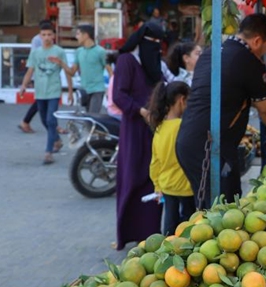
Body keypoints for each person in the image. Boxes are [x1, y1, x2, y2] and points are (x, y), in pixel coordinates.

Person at [177, 14, 266, 209]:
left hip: (192, 140)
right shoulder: (249, 61)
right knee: (221, 213)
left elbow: (228, 91)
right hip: (208, 146)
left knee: (219, 205)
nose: (265, 52)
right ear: (257, 40)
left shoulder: (213, 52)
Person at [112, 21, 165, 250]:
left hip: (153, 128)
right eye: (153, 43)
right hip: (134, 130)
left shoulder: (151, 61)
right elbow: (119, 96)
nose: (156, 48)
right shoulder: (126, 61)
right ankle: (129, 233)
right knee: (134, 177)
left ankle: (150, 234)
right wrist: (140, 110)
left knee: (153, 178)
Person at [18, 22, 73, 165]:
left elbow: (68, 72)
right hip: (40, 92)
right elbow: (30, 70)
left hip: (54, 91)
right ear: (40, 36)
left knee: (50, 120)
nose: (47, 37)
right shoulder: (36, 53)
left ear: (54, 36)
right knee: (44, 120)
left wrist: (71, 91)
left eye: (49, 34)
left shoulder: (59, 51)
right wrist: (24, 85)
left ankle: (48, 153)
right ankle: (57, 140)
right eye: (44, 35)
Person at [147, 81, 193, 235]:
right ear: (182, 100)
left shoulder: (159, 127)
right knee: (188, 227)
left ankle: (166, 252)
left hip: (167, 186)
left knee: (169, 225)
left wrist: (157, 186)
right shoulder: (184, 126)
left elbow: (155, 163)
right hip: (186, 187)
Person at [51, 25, 111, 114]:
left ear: (86, 35)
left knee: (92, 117)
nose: (76, 37)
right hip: (84, 89)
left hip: (97, 90)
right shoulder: (79, 51)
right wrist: (61, 63)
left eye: (78, 34)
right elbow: (72, 72)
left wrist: (111, 90)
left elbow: (110, 71)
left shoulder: (100, 51)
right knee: (87, 118)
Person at [19, 21, 46, 134]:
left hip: (46, 74)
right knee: (42, 100)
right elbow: (34, 58)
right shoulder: (36, 40)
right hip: (40, 74)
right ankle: (26, 121)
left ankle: (26, 121)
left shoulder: (48, 40)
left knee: (43, 100)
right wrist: (27, 81)